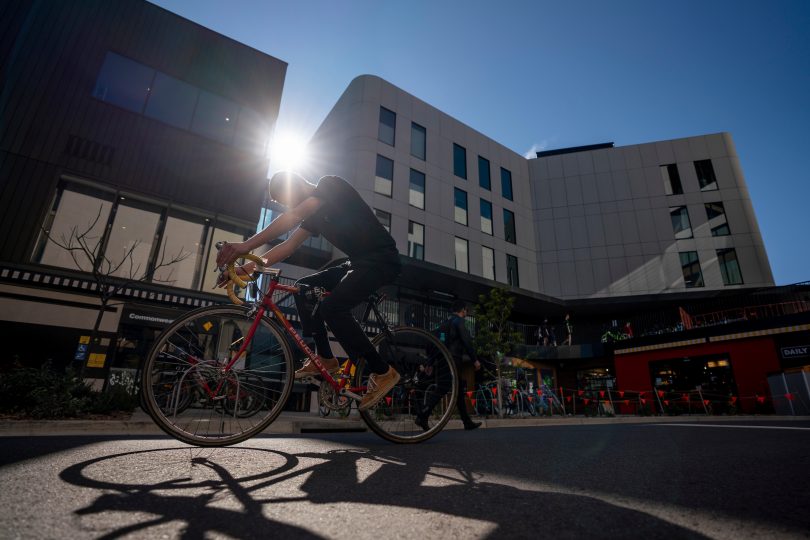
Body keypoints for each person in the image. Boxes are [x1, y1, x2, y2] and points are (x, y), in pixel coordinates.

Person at [216, 171, 402, 411]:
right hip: (358, 262)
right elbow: (288, 246)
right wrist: (248, 268)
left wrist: (245, 245)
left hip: (382, 260)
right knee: (303, 288)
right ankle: (325, 358)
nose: (291, 205)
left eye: (289, 199)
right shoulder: (314, 212)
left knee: (332, 309)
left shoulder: (330, 185)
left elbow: (294, 216)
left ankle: (383, 371)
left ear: (298, 185)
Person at [415, 300, 482, 431]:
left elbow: (438, 344)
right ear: (463, 310)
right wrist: (475, 360)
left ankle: (466, 421)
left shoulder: (444, 324)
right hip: (453, 360)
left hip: (442, 360)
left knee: (457, 390)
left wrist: (430, 362)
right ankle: (423, 415)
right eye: (466, 311)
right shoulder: (459, 321)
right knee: (443, 388)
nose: (466, 314)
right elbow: (466, 340)